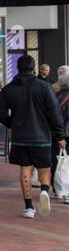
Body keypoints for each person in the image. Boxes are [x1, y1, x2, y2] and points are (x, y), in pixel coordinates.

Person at [0, 54, 65, 218]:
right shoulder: (44, 87)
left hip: (20, 137)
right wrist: (60, 136)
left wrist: (12, 123)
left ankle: (28, 207)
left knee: (25, 169)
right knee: (44, 168)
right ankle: (45, 191)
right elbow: (55, 113)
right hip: (41, 137)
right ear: (34, 68)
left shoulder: (8, 89)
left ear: (18, 68)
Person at [55, 66, 69, 202]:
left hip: (60, 134)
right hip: (66, 133)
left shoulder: (58, 96)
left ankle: (60, 190)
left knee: (62, 162)